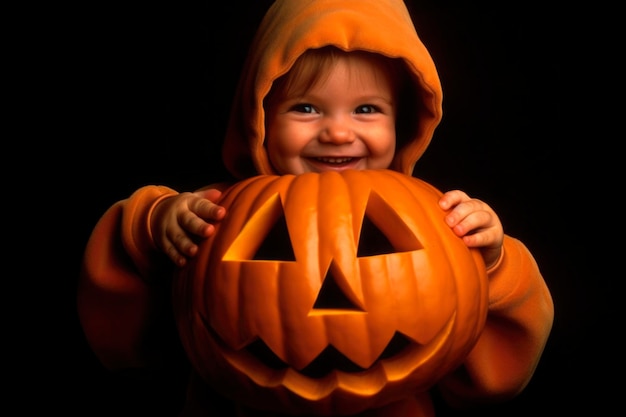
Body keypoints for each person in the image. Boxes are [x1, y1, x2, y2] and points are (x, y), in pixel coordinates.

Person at [78, 0, 554, 416]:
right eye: (306, 108)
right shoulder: (217, 211)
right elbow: (125, 298)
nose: (338, 133)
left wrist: (490, 264)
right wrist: (153, 224)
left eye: (366, 109)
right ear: (259, 115)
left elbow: (495, 363)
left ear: (402, 121)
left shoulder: (438, 215)